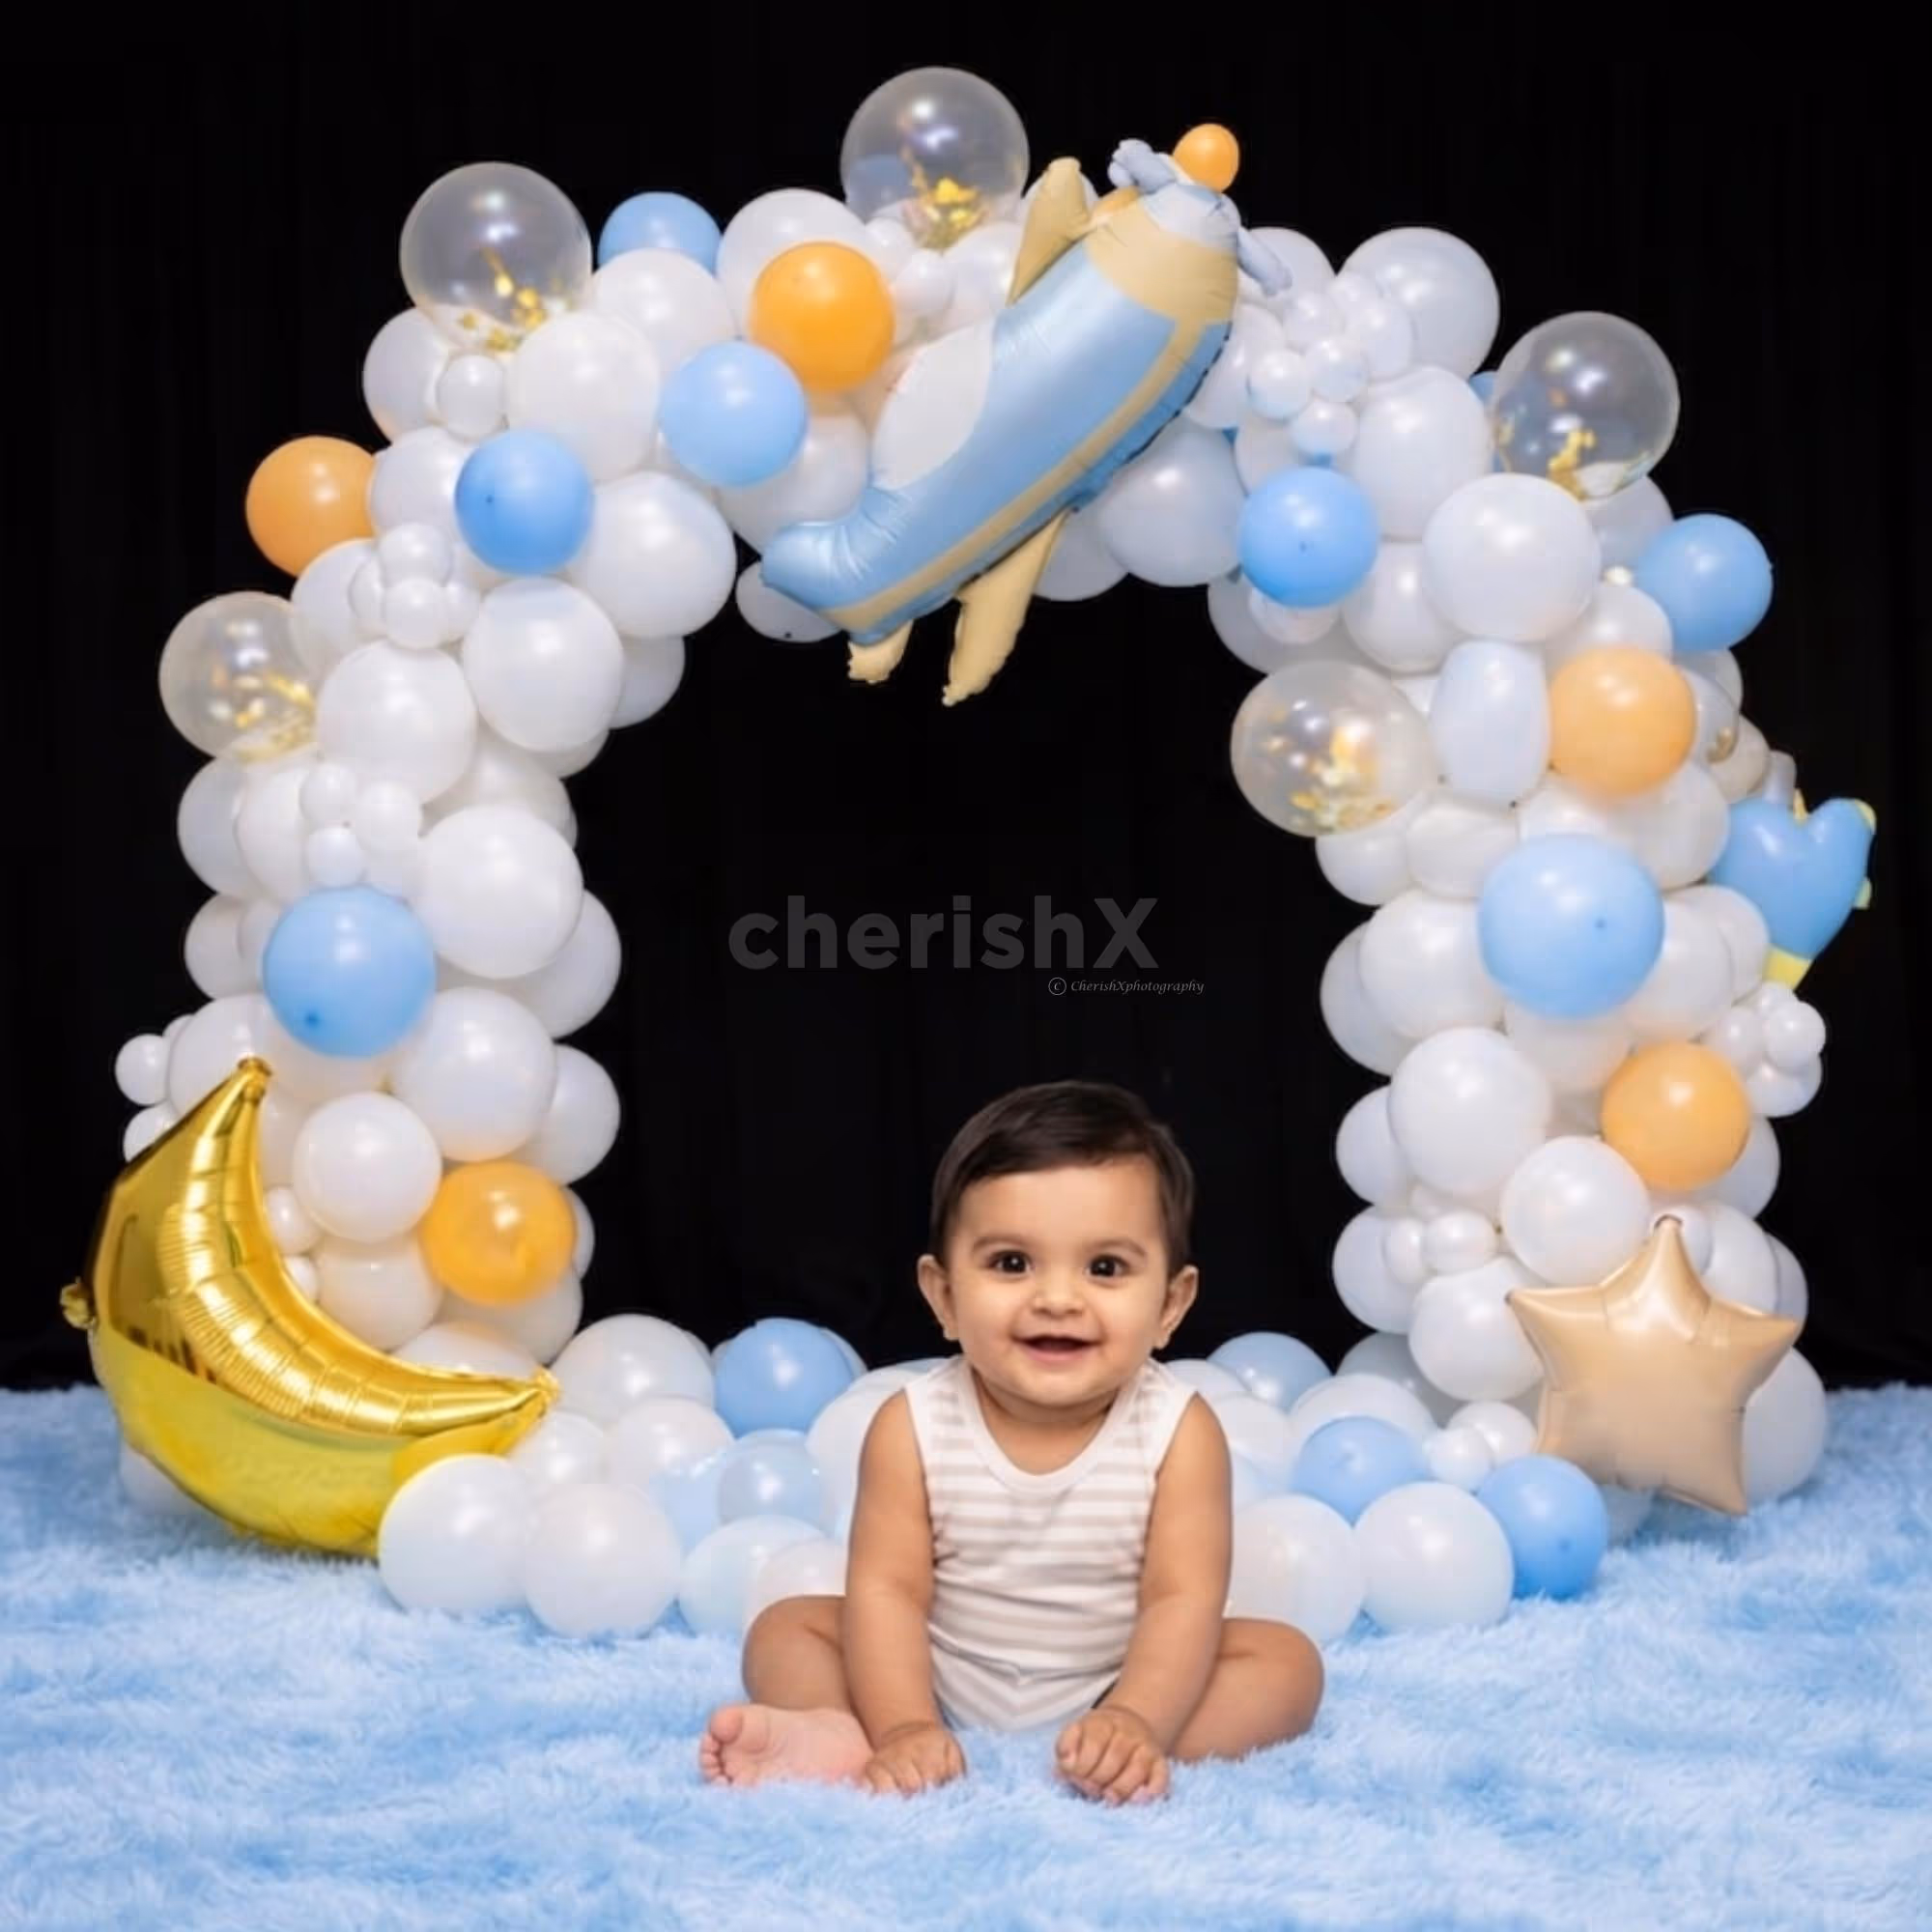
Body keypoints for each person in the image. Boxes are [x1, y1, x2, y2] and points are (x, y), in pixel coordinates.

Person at [699, 1078, 1323, 1803]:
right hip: (926, 1677)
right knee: (787, 1626)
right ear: (943, 1296)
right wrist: (903, 1720)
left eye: (1106, 1268)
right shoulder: (912, 1425)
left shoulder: (1179, 1431)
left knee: (1286, 1663)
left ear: (1170, 1305)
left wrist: (1136, 1713)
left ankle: (1119, 1749)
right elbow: (888, 1592)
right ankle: (851, 1730)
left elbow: (1180, 1600)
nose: (1057, 1298)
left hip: (1119, 1677)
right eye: (1011, 1263)